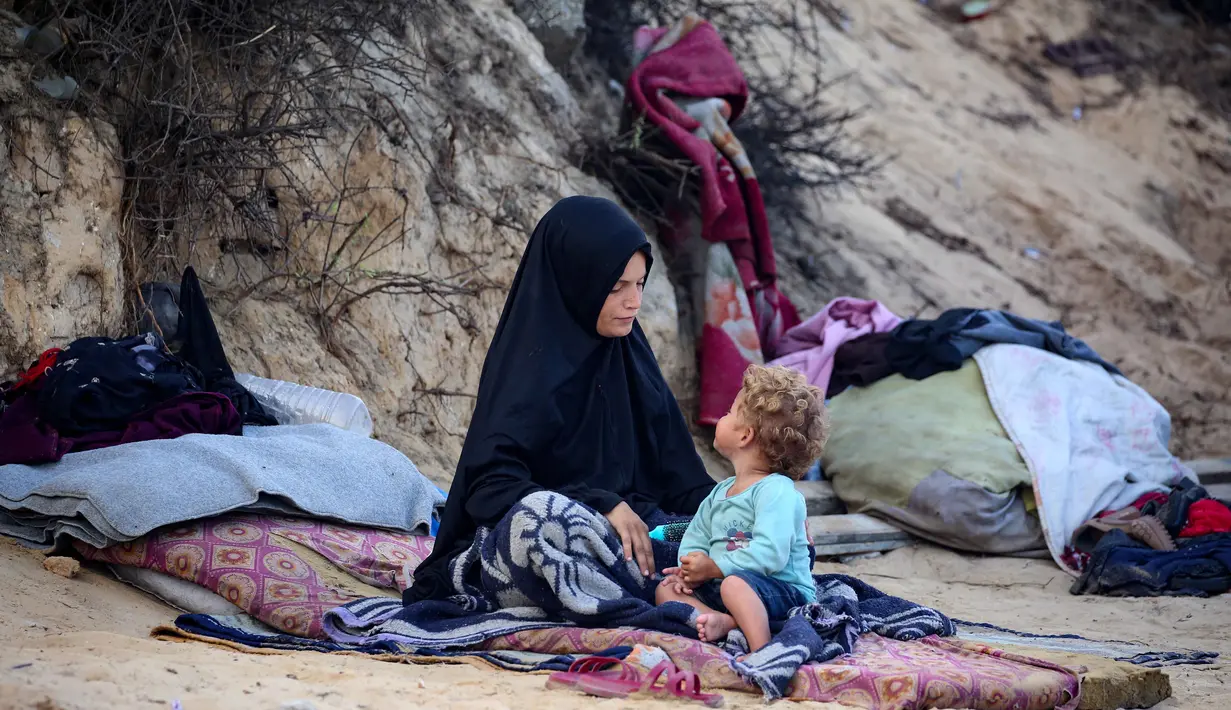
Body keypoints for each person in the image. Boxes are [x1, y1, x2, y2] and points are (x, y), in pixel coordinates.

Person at [405, 195, 717, 603]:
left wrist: (745, 506)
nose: (634, 302)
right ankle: (664, 591)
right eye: (617, 286)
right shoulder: (530, 365)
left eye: (640, 284)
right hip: (555, 534)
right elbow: (490, 487)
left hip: (636, 533)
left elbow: (682, 482)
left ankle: (661, 588)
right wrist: (602, 504)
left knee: (734, 538)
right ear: (577, 281)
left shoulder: (630, 358)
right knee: (540, 526)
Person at [656, 364, 828, 652]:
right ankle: (726, 621)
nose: (722, 417)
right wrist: (689, 567)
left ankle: (762, 650)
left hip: (781, 592)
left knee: (735, 586)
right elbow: (697, 536)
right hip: (725, 582)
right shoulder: (721, 491)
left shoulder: (776, 491)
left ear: (745, 435)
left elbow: (770, 555)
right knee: (667, 589)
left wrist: (713, 567)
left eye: (728, 412)